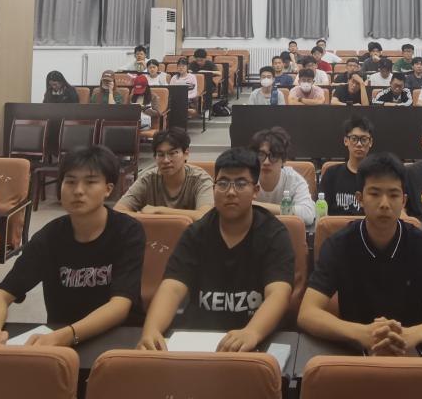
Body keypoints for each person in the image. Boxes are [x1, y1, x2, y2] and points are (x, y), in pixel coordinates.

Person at [298, 153, 422, 353]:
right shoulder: (338, 245)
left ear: (404, 201)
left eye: (393, 195)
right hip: (355, 351)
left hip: (409, 351)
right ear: (360, 199)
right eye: (375, 194)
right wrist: (360, 333)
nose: (384, 203)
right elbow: (307, 313)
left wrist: (412, 334)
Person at [0, 146, 145, 345]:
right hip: (60, 337)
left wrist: (66, 336)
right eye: (70, 181)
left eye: (90, 182)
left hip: (119, 336)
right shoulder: (49, 237)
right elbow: (1, 295)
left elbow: (120, 306)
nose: (78, 191)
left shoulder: (127, 231)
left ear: (108, 189)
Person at [137, 147, 294, 351]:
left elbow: (279, 294)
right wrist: (151, 331)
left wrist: (252, 332)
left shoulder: (273, 233)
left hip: (257, 339)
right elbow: (172, 288)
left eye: (240, 184)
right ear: (213, 188)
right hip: (200, 338)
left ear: (255, 191)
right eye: (223, 183)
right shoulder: (196, 233)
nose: (230, 192)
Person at [114, 128, 213, 219]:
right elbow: (118, 211)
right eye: (160, 155)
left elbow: (206, 216)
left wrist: (160, 211)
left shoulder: (200, 179)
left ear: (186, 154)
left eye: (172, 153)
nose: (166, 160)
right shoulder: (148, 178)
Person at [248, 127, 316, 226]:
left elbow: (308, 215)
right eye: (261, 155)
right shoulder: (246, 177)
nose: (266, 162)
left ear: (283, 160)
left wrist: (256, 206)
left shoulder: (294, 180)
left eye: (273, 156)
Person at [321, 116, 375, 215]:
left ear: (370, 142)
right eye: (354, 139)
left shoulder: (378, 176)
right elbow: (321, 212)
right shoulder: (331, 174)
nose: (359, 144)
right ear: (346, 141)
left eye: (364, 139)